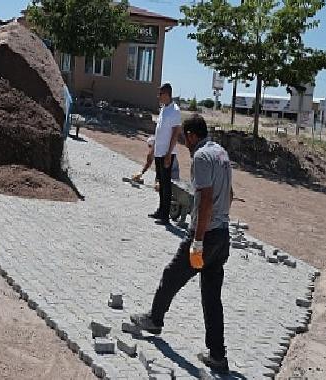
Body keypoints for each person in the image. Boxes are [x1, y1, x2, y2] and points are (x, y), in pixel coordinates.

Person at [129, 114, 233, 374]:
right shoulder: (221, 153)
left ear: (192, 135)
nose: (184, 142)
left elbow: (206, 198)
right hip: (221, 236)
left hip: (205, 236)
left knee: (172, 274)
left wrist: (197, 240)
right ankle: (218, 356)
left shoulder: (200, 157)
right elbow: (229, 194)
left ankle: (154, 320)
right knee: (211, 297)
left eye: (185, 138)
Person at [150, 83, 182, 226]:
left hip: (167, 153)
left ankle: (165, 216)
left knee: (166, 184)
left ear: (167, 94)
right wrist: (153, 149)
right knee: (161, 183)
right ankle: (161, 210)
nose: (159, 96)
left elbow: (175, 133)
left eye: (160, 94)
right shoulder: (164, 109)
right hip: (159, 151)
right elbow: (160, 131)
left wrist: (169, 153)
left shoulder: (175, 110)